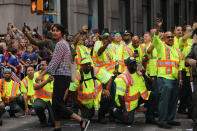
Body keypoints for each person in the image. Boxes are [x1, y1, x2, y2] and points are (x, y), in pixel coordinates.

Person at [43, 24, 90, 131]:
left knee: (57, 103)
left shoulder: (60, 44)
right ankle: (57, 126)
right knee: (57, 102)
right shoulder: (64, 44)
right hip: (64, 76)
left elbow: (55, 62)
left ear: (62, 33)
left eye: (57, 31)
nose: (54, 32)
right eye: (53, 30)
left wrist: (44, 73)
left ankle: (81, 120)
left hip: (61, 76)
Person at [153, 18, 181, 129]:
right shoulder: (160, 46)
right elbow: (155, 37)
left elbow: (178, 65)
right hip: (164, 78)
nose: (170, 38)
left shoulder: (176, 49)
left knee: (173, 100)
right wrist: (158, 27)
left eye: (171, 37)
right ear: (163, 38)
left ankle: (169, 119)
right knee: (164, 101)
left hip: (174, 79)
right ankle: (162, 120)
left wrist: (180, 79)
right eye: (168, 37)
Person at [113, 57, 156, 125]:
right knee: (129, 121)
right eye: (131, 64)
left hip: (138, 98)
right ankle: (115, 111)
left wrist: (144, 75)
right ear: (127, 65)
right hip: (128, 103)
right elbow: (120, 96)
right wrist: (125, 111)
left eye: (134, 63)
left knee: (153, 95)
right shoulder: (123, 77)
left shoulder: (139, 72)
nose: (134, 65)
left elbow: (151, 83)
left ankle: (149, 118)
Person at [69, 58, 113, 123]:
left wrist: (107, 90)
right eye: (86, 64)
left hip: (97, 97)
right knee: (86, 118)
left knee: (108, 97)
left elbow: (109, 78)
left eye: (89, 64)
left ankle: (101, 116)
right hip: (85, 103)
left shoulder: (95, 70)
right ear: (82, 66)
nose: (88, 66)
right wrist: (81, 107)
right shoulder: (77, 74)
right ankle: (90, 112)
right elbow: (72, 91)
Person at [33, 58, 54, 127]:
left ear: (49, 66)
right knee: (37, 106)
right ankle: (43, 120)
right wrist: (46, 81)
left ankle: (52, 119)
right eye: (40, 65)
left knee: (53, 123)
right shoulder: (37, 74)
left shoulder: (55, 74)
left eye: (43, 65)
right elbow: (35, 87)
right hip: (40, 98)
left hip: (52, 100)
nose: (40, 67)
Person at [186, 27, 197, 125]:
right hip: (196, 77)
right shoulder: (195, 47)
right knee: (195, 99)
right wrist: (189, 60)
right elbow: (187, 59)